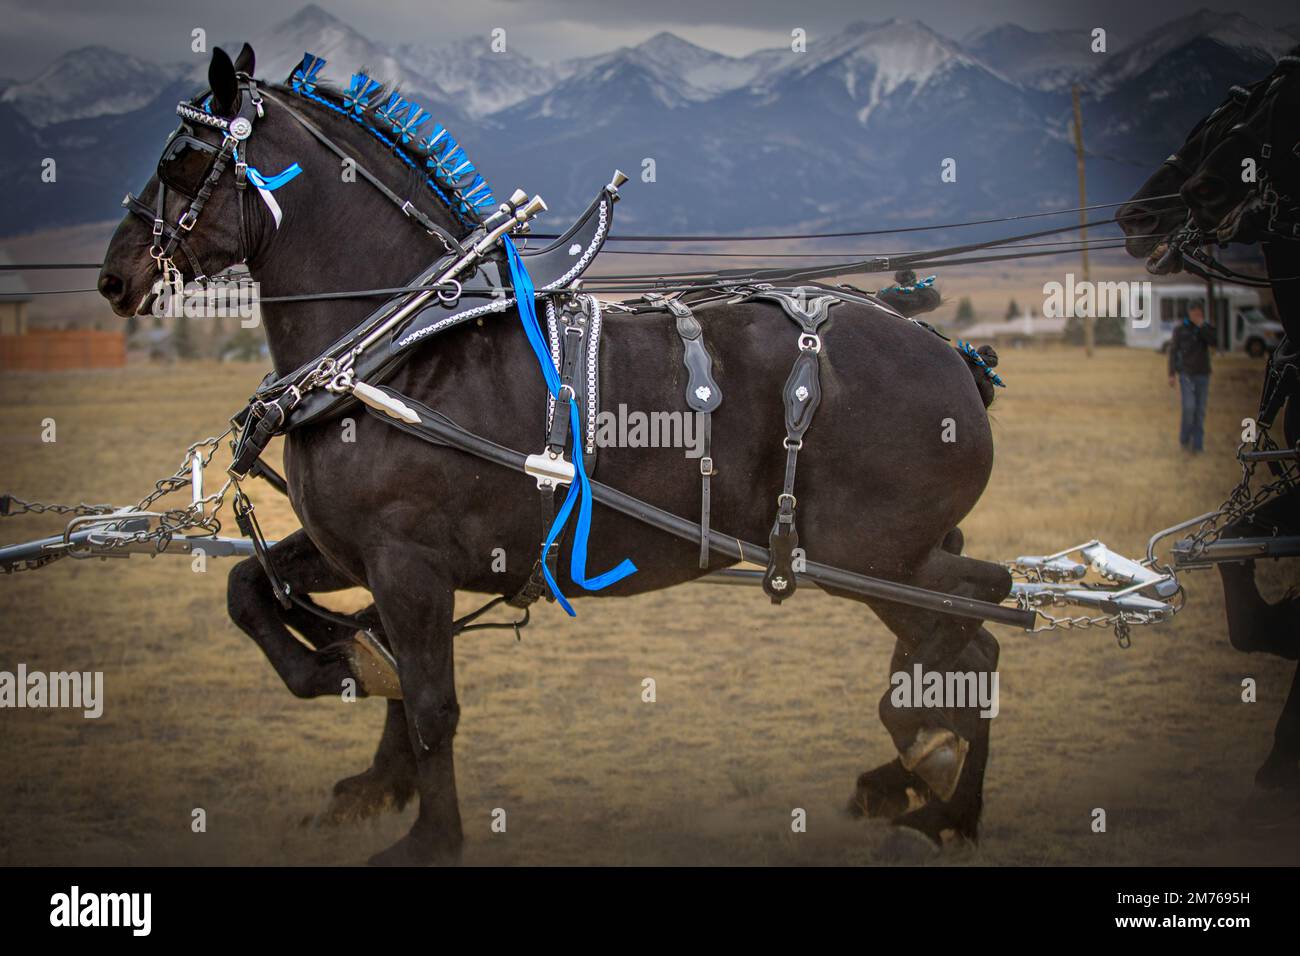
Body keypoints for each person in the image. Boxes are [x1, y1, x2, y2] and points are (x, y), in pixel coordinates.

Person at [1167, 302, 1215, 453]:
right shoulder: (1181, 329)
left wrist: (1201, 327)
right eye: (1193, 313)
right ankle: (1184, 439)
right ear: (1189, 313)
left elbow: (1214, 342)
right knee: (1189, 408)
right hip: (1186, 373)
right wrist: (1171, 373)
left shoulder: (1205, 328)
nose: (1196, 316)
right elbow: (1173, 351)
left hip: (1203, 374)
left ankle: (1198, 445)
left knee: (1200, 410)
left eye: (1198, 313)